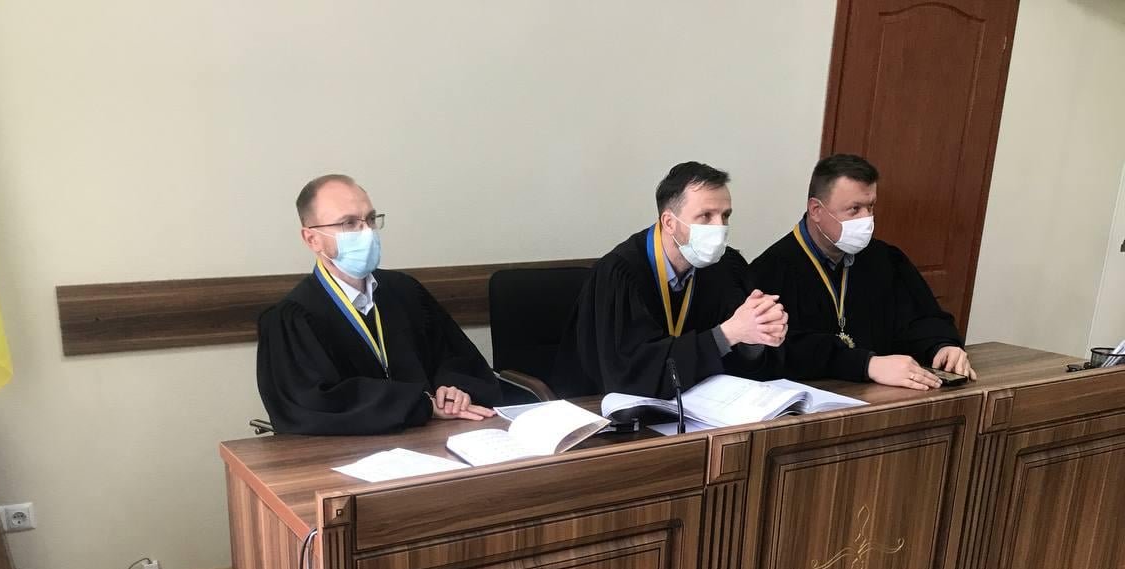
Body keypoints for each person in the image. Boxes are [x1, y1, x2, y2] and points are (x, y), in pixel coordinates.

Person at [256, 174, 500, 434]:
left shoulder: (406, 291)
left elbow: (458, 358)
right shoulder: (292, 319)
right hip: (351, 452)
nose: (366, 232)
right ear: (312, 239)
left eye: (371, 219)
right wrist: (422, 405)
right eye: (349, 223)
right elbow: (312, 405)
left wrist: (453, 389)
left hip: (435, 438)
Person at [552, 161, 786, 398]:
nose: (720, 227)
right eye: (706, 216)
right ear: (669, 223)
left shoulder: (726, 267)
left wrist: (757, 336)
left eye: (725, 215)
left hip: (704, 405)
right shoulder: (619, 274)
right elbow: (630, 375)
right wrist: (726, 335)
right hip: (604, 409)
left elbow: (744, 364)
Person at [751, 154, 973, 391]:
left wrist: (942, 345)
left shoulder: (885, 258)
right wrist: (865, 364)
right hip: (814, 399)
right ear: (816, 210)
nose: (866, 219)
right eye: (854, 209)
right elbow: (782, 351)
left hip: (885, 395)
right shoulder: (771, 270)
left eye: (870, 206)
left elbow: (920, 318)